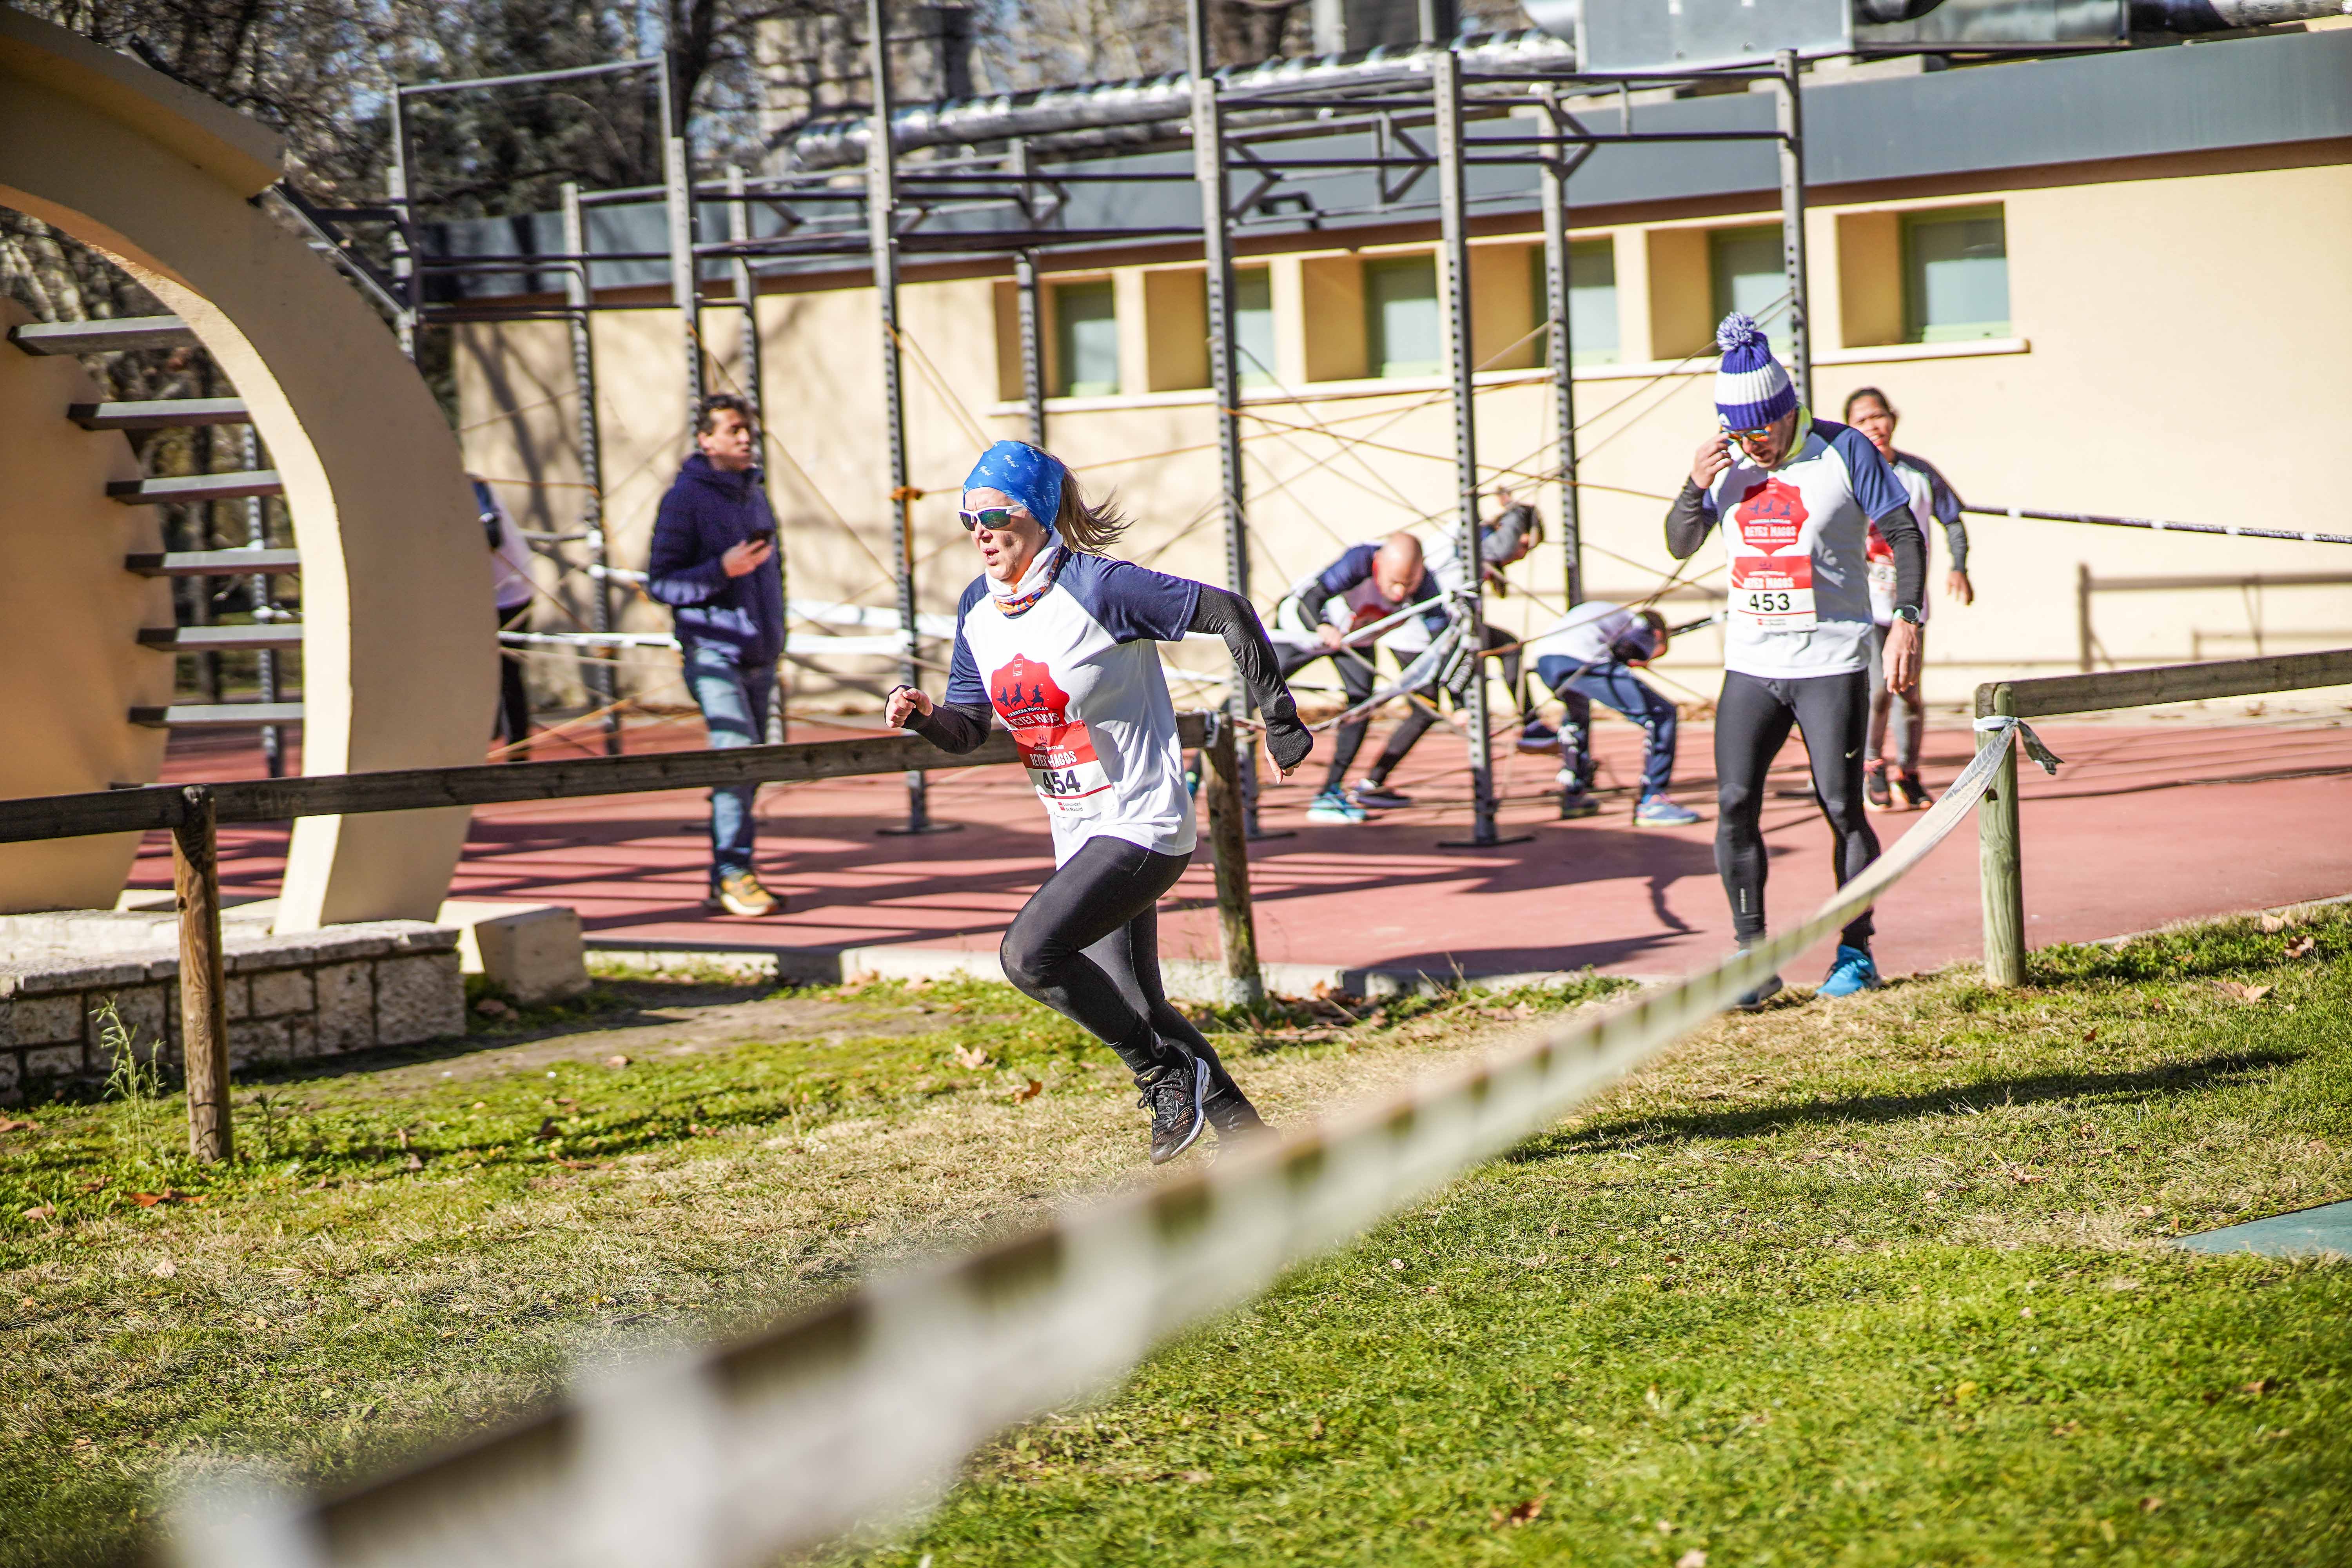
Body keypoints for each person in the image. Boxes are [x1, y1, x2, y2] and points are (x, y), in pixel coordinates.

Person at [889, 440, 1312, 1165]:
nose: (982, 533)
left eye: (997, 515)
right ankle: (1257, 1147)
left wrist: (1280, 720)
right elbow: (968, 730)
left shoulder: (1100, 587)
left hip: (1145, 823)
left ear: (1040, 514)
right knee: (1140, 1005)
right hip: (1081, 836)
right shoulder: (977, 610)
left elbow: (1230, 613)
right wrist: (926, 716)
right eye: (970, 520)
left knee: (1029, 956)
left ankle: (1160, 1073)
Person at [1665, 313, 1926, 1006]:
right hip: (1752, 663)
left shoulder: (1843, 450)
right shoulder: (1729, 464)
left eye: (1762, 432)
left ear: (1787, 414)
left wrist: (1906, 620)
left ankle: (1855, 951)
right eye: (1739, 434)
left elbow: (1903, 532)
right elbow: (1678, 542)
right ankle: (1753, 957)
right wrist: (1695, 485)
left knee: (1841, 806)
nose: (1753, 446)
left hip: (1831, 660)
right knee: (1733, 802)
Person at [646, 394, 787, 918]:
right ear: (706, 440)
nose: (745, 438)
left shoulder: (755, 493)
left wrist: (777, 633)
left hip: (760, 650)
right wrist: (719, 571)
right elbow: (660, 582)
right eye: (733, 430)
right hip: (713, 651)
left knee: (752, 761)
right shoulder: (685, 498)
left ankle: (727, 875)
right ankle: (733, 872)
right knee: (736, 753)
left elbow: (774, 572)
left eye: (748, 428)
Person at [1841, 387, 1975, 812]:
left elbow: (1953, 521)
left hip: (1909, 605)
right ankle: (1871, 767)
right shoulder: (1845, 472)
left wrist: (1959, 567)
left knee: (1910, 692)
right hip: (1864, 607)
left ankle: (1909, 773)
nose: (1873, 426)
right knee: (1878, 691)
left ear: (1893, 420)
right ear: (1850, 429)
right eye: (1862, 421)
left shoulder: (1919, 473)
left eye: (1879, 417)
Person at [1268, 532, 1448, 823]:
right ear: (1379, 565)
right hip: (1303, 632)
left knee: (1361, 708)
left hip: (1356, 641)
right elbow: (1310, 600)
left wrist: (1458, 694)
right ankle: (1196, 773)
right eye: (1394, 583)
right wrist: (1323, 626)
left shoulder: (1425, 582)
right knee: (1255, 692)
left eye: (1410, 584)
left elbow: (1441, 630)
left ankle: (1330, 793)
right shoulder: (1360, 560)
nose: (1402, 593)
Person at [1524, 601, 1698, 826]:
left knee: (1577, 713)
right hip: (1581, 658)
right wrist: (1639, 658)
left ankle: (1574, 794)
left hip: (1547, 661)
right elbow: (1633, 649)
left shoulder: (1608, 614)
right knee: (1661, 714)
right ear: (1657, 635)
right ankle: (1653, 800)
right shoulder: (1640, 623)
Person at [474, 477, 536, 762]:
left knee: (508, 672)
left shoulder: (474, 487)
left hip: (510, 592)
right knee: (481, 672)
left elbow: (492, 535)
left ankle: (518, 752)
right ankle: (492, 734)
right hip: (484, 594)